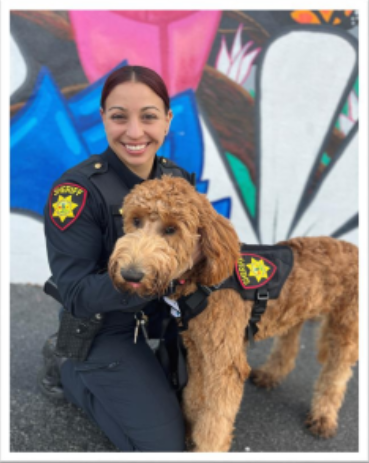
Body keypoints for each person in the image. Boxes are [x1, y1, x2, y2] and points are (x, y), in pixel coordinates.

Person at [38, 65, 196, 452]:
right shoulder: (76, 192)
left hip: (163, 319)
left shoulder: (177, 179)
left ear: (167, 120)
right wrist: (149, 280)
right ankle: (68, 368)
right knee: (164, 448)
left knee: (203, 408)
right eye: (119, 116)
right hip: (100, 326)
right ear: (104, 118)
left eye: (149, 116)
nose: (135, 132)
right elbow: (75, 292)